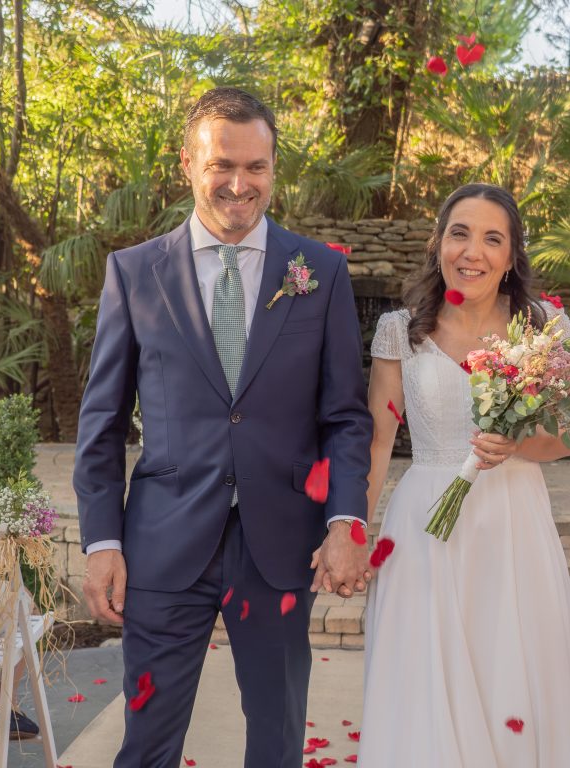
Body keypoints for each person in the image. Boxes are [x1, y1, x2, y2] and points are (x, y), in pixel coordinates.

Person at [73, 87, 373, 768]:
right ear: (188, 164)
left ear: (274, 168)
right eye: (221, 165)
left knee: (276, 740)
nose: (239, 184)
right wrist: (102, 540)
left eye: (257, 167)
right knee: (147, 744)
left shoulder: (320, 273)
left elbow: (346, 419)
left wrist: (345, 521)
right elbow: (101, 425)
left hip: (280, 546)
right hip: (161, 547)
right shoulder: (133, 272)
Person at [355, 183, 570, 766]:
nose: (472, 251)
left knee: (513, 673)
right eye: (459, 233)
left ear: (511, 255)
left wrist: (517, 436)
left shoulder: (543, 326)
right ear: (438, 243)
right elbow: (378, 439)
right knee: (423, 677)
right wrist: (351, 535)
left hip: (513, 526)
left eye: (492, 239)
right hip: (423, 526)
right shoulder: (401, 329)